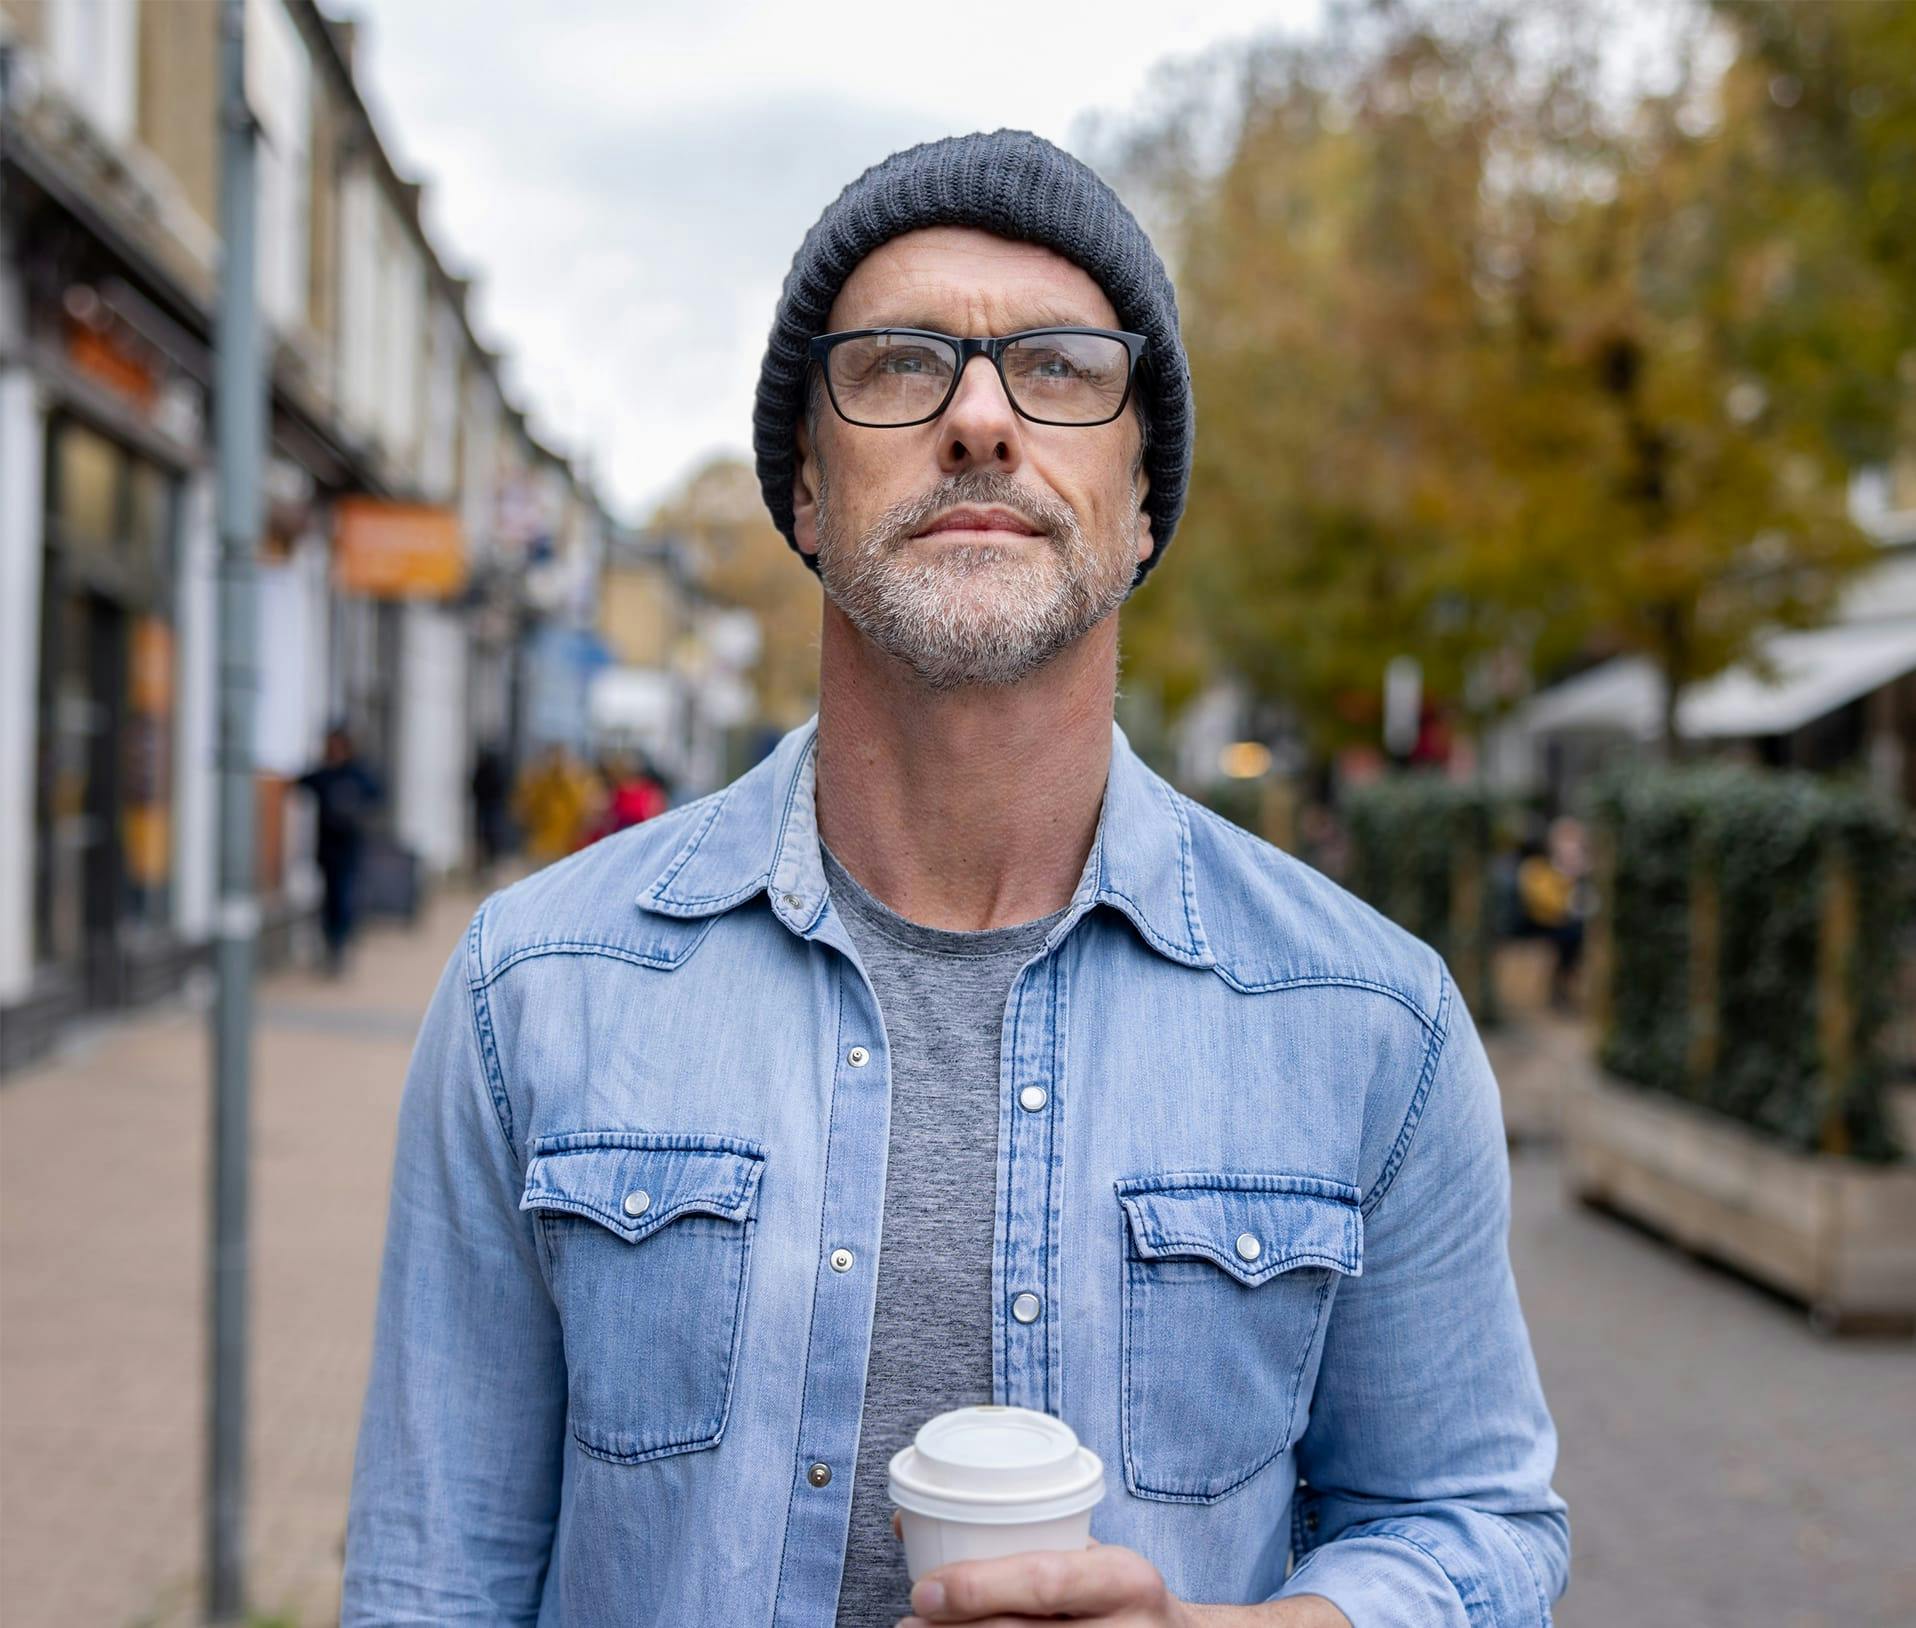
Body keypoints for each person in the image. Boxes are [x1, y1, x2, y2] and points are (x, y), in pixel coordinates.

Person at [342, 131, 1569, 1628]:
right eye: (899, 364)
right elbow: (430, 1578)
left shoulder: (1371, 1018)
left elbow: (1470, 1520)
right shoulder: (533, 993)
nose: (981, 417)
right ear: (804, 486)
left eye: (1059, 369)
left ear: (1142, 505)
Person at [295, 723, 381, 977]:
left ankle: (340, 945)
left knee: (344, 897)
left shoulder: (356, 773)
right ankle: (332, 944)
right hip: (327, 848)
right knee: (329, 899)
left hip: (349, 847)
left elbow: (376, 794)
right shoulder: (325, 774)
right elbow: (302, 783)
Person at [470, 739, 514, 881]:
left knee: (488, 838)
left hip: (490, 809)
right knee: (488, 839)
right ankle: (486, 868)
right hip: (490, 809)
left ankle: (487, 868)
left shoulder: (490, 767)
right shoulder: (497, 767)